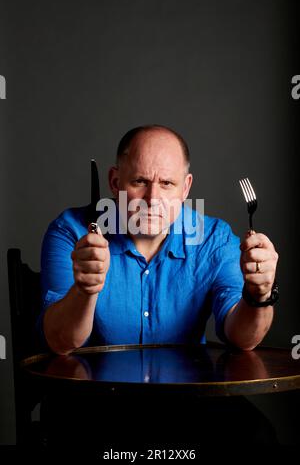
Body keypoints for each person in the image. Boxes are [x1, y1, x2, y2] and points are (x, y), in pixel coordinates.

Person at [37, 124, 279, 449]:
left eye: (167, 183)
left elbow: (242, 337)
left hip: (189, 400)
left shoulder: (214, 238)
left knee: (257, 436)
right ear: (114, 181)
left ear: (185, 188)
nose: (153, 199)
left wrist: (258, 295)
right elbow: (60, 341)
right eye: (139, 182)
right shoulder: (70, 232)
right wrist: (85, 289)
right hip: (92, 401)